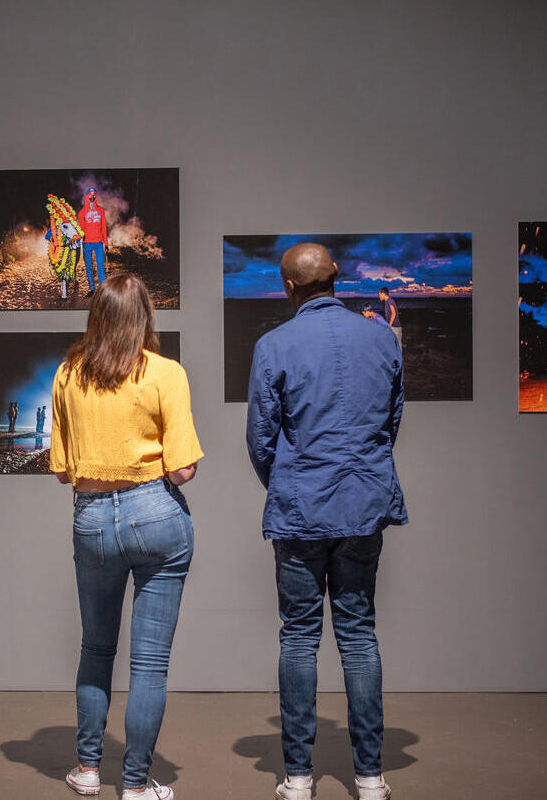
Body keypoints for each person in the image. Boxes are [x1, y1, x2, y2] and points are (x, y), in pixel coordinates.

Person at [246, 243, 406, 800]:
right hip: (363, 505)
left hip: (298, 510)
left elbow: (261, 441)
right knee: (359, 636)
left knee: (298, 638)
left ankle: (296, 778)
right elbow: (390, 423)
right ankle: (369, 778)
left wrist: (292, 482)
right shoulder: (381, 338)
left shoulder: (272, 346)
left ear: (288, 288)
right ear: (337, 279)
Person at [50, 273, 203, 800]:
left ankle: (88, 771)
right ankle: (135, 785)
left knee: (96, 648)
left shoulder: (69, 374)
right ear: (144, 317)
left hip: (91, 517)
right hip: (156, 515)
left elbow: (62, 468)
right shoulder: (165, 373)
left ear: (96, 317)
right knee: (149, 663)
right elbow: (183, 470)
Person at [78, 186, 110, 296]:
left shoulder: (100, 210)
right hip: (86, 243)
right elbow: (80, 229)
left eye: (94, 194)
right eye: (90, 194)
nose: (92, 196)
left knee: (100, 266)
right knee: (89, 267)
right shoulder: (82, 212)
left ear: (96, 197)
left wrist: (106, 243)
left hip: (98, 243)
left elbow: (104, 227)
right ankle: (91, 289)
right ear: (86, 196)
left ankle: (101, 290)